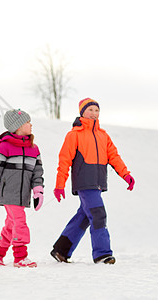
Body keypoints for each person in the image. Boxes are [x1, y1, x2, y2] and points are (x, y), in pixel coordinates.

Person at [50, 98, 135, 264]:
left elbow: (114, 157)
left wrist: (126, 175)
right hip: (84, 182)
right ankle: (102, 254)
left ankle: (61, 250)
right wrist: (59, 185)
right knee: (98, 214)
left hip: (98, 183)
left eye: (97, 110)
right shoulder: (74, 135)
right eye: (90, 110)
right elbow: (64, 160)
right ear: (82, 112)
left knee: (84, 216)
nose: (94, 113)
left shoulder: (103, 136)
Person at [0, 109, 44, 268]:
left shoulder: (34, 149)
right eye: (27, 122)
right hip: (9, 193)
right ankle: (20, 257)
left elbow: (38, 172)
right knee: (20, 222)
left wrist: (38, 190)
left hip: (23, 195)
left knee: (11, 225)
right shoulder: (5, 147)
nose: (31, 125)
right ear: (17, 126)